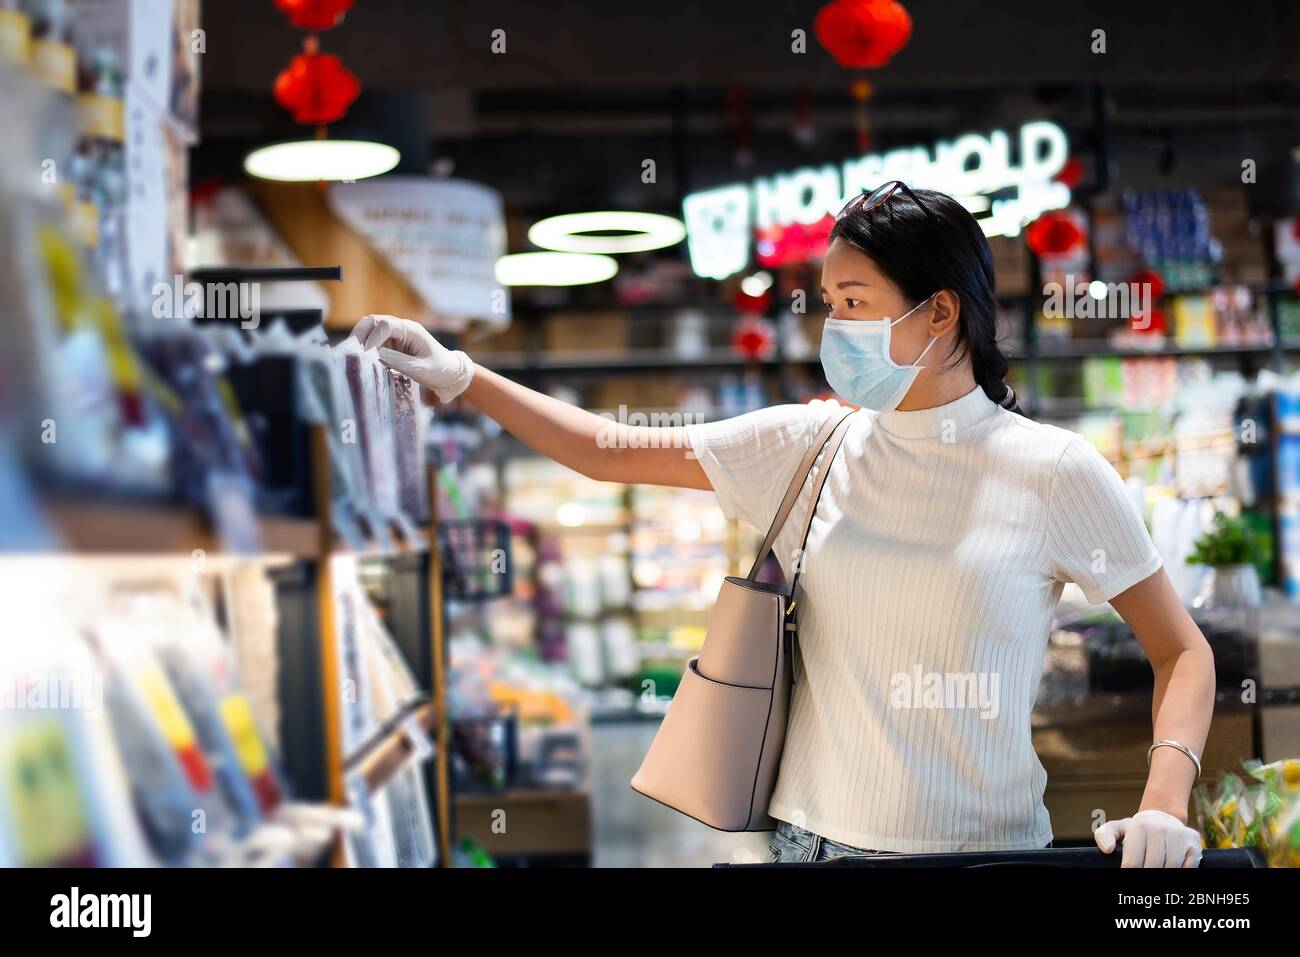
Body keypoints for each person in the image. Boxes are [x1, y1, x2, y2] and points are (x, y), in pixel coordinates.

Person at [348, 182, 1215, 868]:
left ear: (941, 312)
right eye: (828, 302)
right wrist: (463, 376)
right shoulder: (811, 443)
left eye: (854, 300)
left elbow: (1183, 651)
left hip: (985, 854)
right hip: (809, 845)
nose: (833, 327)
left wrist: (1164, 802)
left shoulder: (1054, 473)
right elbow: (609, 449)